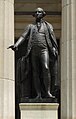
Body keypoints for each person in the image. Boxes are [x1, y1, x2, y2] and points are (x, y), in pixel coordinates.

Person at [8, 8, 58, 100]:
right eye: (36, 12)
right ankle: (38, 94)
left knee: (46, 68)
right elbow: (23, 36)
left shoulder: (47, 26)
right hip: (33, 51)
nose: (37, 13)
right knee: (35, 72)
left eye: (39, 12)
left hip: (44, 50)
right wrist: (16, 44)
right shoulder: (30, 26)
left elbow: (52, 38)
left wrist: (54, 48)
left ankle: (47, 92)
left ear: (43, 14)